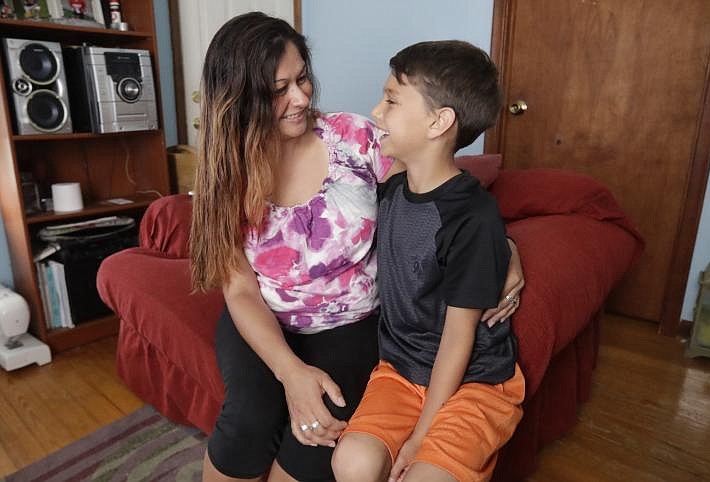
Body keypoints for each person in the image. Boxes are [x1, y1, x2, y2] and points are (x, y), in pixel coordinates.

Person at [189, 12, 523, 482]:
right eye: (279, 89)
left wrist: (505, 248)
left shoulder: (355, 140)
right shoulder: (225, 175)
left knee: (319, 432)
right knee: (246, 420)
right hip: (263, 318)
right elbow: (239, 290)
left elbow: (434, 205)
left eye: (303, 78)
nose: (301, 97)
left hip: (351, 324)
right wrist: (290, 372)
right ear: (240, 98)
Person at [331, 41, 525, 482]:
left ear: (439, 122)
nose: (376, 112)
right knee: (351, 461)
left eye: (392, 100)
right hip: (400, 370)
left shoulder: (473, 218)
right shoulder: (392, 190)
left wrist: (421, 435)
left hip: (475, 380)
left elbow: (459, 338)